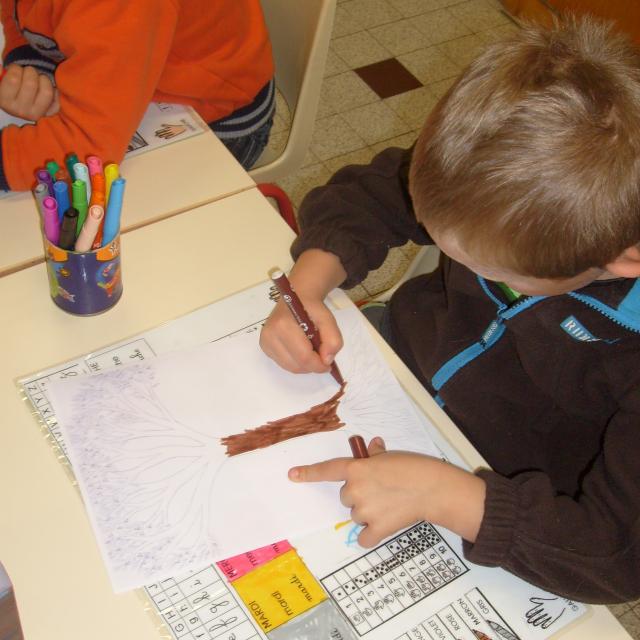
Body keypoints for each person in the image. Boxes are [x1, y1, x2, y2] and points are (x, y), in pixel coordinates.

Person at [259, 16, 640, 603]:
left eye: (495, 272)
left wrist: (451, 498)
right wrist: (309, 283)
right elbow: (378, 190)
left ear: (623, 259)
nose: (466, 269)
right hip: (402, 363)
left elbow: (616, 558)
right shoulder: (507, 181)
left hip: (512, 485)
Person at [0, 0, 274, 191]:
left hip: (214, 118)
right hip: (137, 75)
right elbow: (21, 11)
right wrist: (33, 65)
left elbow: (86, 150)